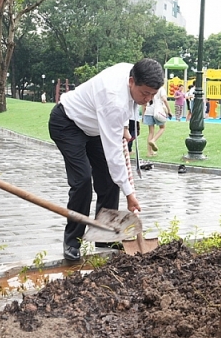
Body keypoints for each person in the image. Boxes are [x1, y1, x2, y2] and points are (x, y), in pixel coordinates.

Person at [48, 59, 163, 261]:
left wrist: (126, 127)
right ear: (131, 82)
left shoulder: (135, 72)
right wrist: (129, 194)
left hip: (94, 128)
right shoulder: (113, 99)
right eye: (145, 93)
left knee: (110, 181)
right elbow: (114, 155)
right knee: (82, 180)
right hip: (67, 123)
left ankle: (105, 236)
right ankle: (73, 241)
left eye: (153, 95)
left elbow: (129, 108)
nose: (148, 99)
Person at [142, 86, 170, 157]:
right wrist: (169, 110)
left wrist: (143, 115)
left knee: (151, 132)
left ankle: (149, 152)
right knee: (162, 127)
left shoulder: (149, 87)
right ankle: (153, 140)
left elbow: (144, 103)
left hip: (148, 111)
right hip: (158, 111)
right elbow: (164, 99)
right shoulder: (161, 89)